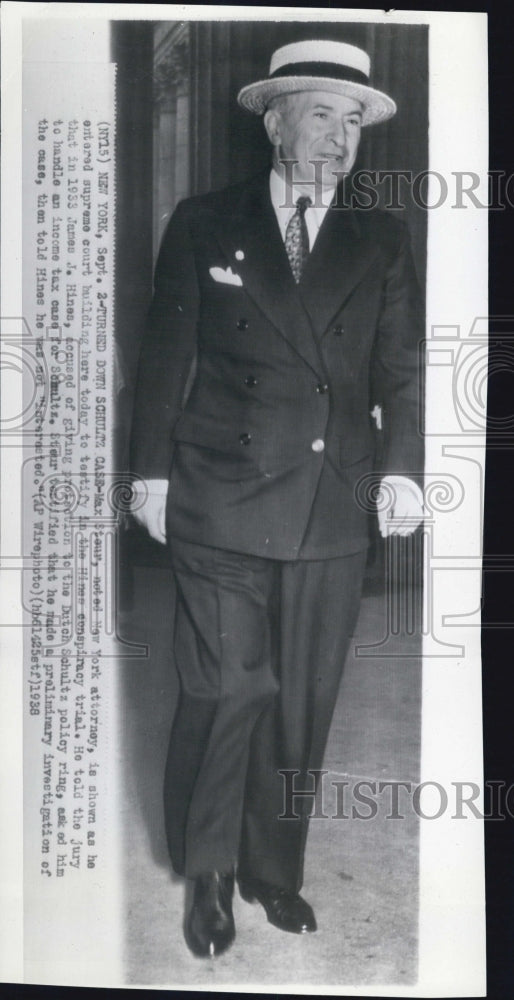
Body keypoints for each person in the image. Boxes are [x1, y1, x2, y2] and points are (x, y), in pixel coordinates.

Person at [130, 38, 424, 959]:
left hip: (332, 500)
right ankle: (209, 872)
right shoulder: (205, 222)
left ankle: (273, 869)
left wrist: (407, 470)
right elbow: (166, 357)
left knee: (303, 698)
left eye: (354, 123)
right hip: (218, 492)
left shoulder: (380, 236)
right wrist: (149, 475)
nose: (340, 140)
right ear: (274, 120)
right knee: (227, 687)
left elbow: (402, 369)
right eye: (321, 116)